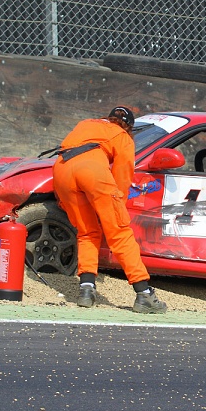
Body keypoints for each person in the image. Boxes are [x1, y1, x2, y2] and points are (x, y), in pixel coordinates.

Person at [52, 106, 167, 314]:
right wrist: (114, 209)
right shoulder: (123, 137)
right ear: (129, 126)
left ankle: (86, 290)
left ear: (109, 117)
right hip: (92, 171)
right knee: (120, 232)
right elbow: (122, 177)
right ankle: (144, 294)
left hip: (61, 170)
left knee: (87, 232)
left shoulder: (86, 123)